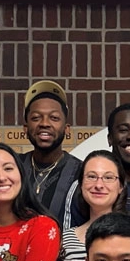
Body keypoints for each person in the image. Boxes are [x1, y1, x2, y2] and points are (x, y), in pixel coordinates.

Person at [17, 80, 83, 226]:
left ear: (66, 129)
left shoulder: (82, 172)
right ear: (25, 128)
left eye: (54, 118)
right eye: (36, 118)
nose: (44, 123)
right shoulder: (12, 166)